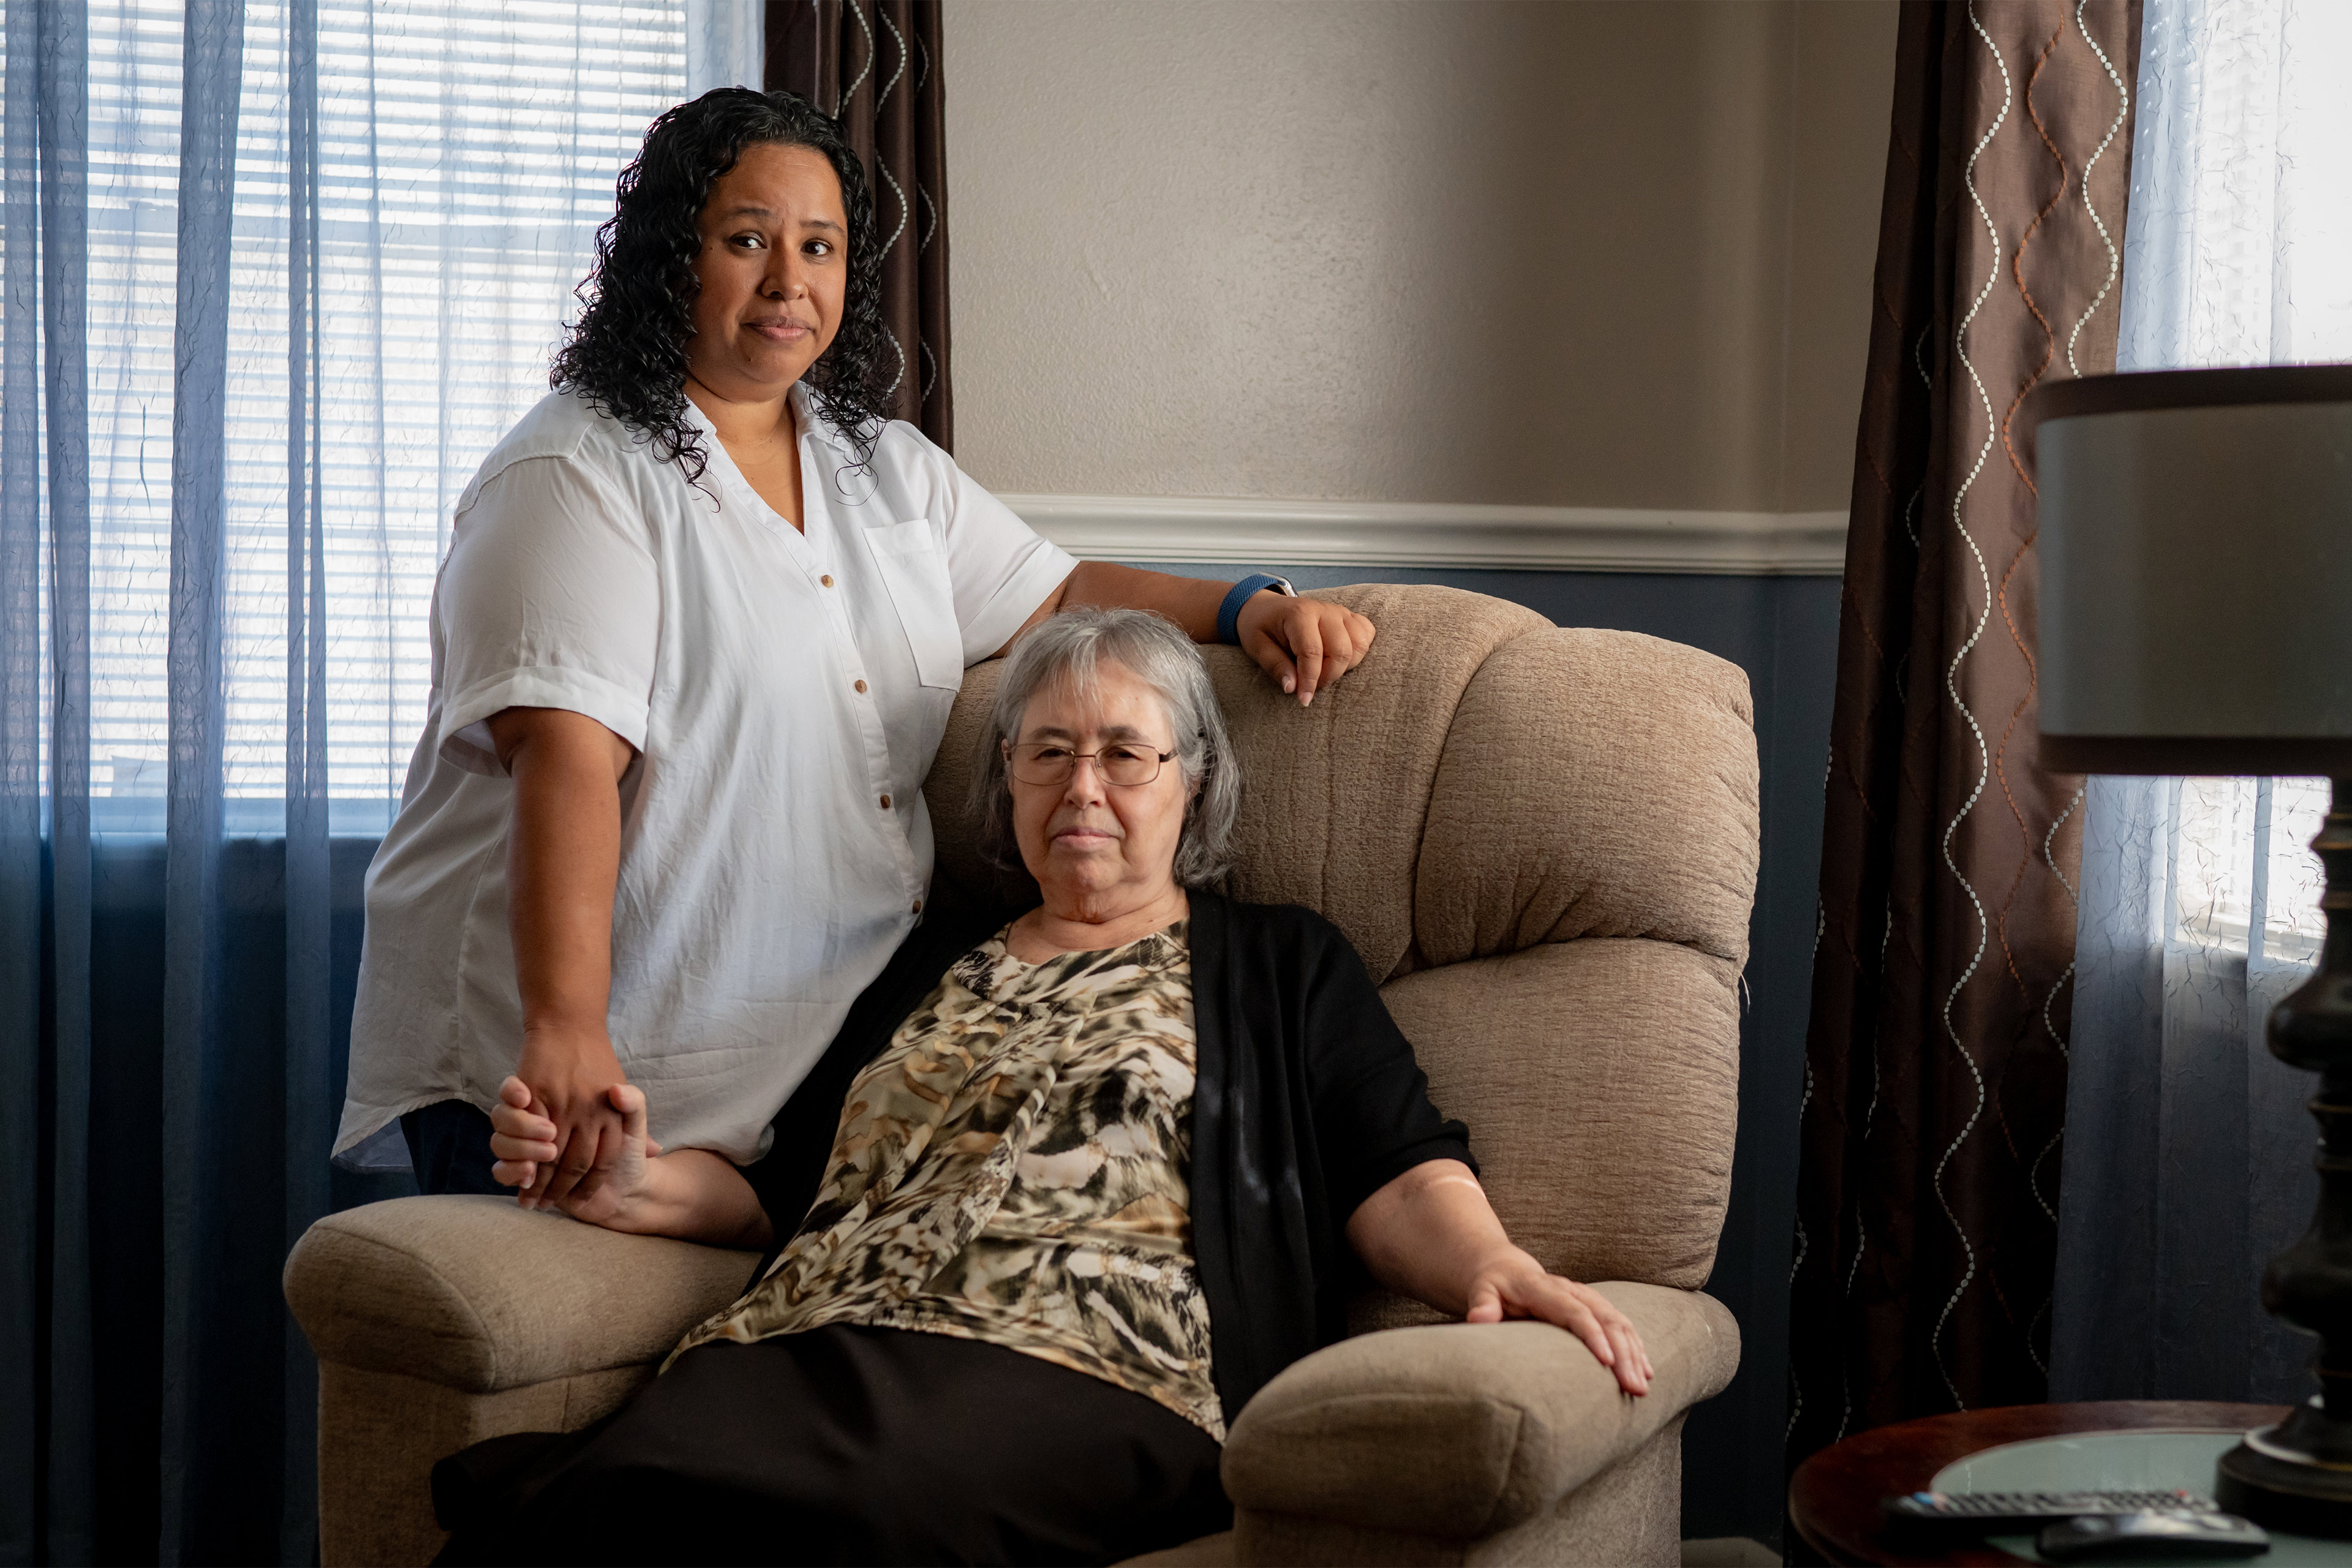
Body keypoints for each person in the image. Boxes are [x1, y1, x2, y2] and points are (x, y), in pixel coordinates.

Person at [431, 608, 1653, 1567]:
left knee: (869, 1515)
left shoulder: (1278, 965)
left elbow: (1395, 1160)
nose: (1082, 789)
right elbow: (773, 1195)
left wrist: (1495, 1261)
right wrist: (628, 1176)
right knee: (605, 1501)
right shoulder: (922, 968)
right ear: (1006, 780)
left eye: (1125, 753)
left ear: (1193, 780)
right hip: (805, 1339)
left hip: (1091, 1361)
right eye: (1048, 752)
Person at [332, 87, 1376, 1206]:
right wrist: (567, 1030)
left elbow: (1058, 588)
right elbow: (566, 762)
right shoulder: (573, 474)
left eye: (819, 247)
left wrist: (1240, 607)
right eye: (747, 241)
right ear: (668, 261)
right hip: (571, 1069)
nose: (790, 280)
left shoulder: (880, 466)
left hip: (807, 1060)